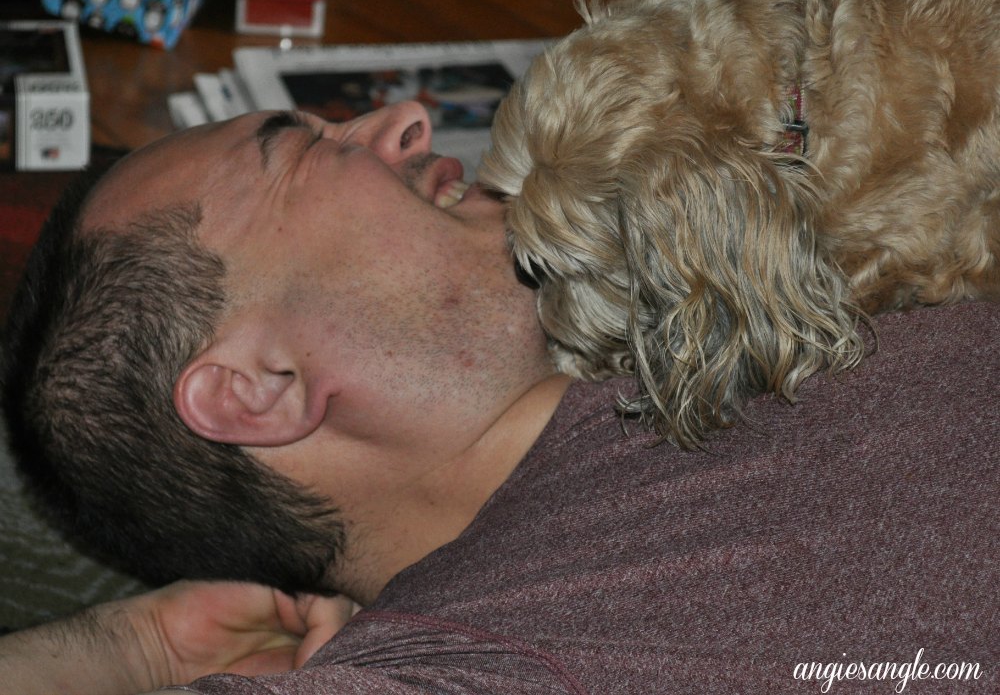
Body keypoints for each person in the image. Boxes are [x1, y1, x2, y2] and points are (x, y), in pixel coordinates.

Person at [0, 101, 996, 694]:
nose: (403, 119)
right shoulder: (460, 665)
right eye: (299, 151)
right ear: (262, 390)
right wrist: (133, 649)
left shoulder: (701, 270)